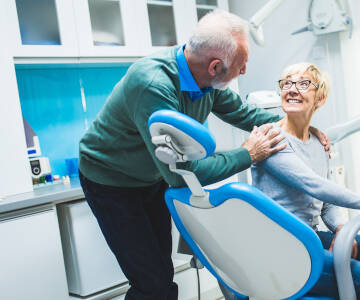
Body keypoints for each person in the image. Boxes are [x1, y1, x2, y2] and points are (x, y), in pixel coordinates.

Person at [78, 10, 329, 300]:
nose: (245, 70)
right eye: (241, 64)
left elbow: (243, 112)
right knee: (154, 285)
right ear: (214, 67)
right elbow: (179, 174)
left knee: (162, 274)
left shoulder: (205, 81)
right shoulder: (152, 85)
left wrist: (302, 128)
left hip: (150, 175)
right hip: (111, 181)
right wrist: (248, 153)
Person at [251, 62, 360, 300]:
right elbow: (315, 186)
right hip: (282, 249)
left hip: (310, 237)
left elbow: (326, 205)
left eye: (303, 84)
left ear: (320, 99)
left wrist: (341, 228)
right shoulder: (270, 139)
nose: (292, 89)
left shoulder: (317, 141)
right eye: (287, 83)